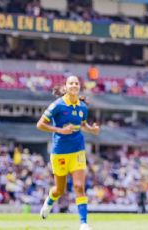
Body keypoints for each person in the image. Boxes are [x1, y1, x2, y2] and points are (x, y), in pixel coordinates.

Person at [37, 76, 100, 230]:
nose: (74, 85)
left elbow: (83, 125)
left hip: (78, 150)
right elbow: (40, 124)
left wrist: (92, 129)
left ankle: (83, 223)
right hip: (59, 152)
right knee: (59, 190)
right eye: (71, 83)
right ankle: (50, 202)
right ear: (65, 87)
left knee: (79, 186)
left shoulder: (83, 107)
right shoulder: (57, 105)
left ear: (79, 87)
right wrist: (60, 130)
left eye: (76, 83)